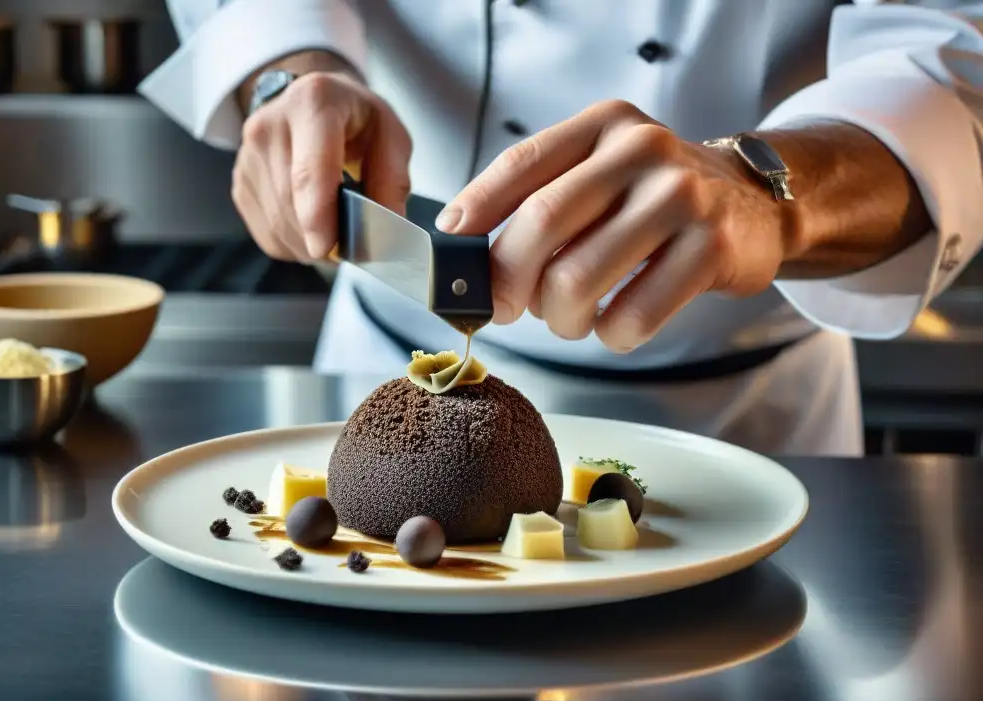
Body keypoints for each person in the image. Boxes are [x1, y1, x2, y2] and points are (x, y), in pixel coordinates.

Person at [139, 0, 982, 455]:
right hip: (384, 368)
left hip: (750, 413)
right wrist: (290, 70)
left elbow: (955, 56)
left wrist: (768, 189)